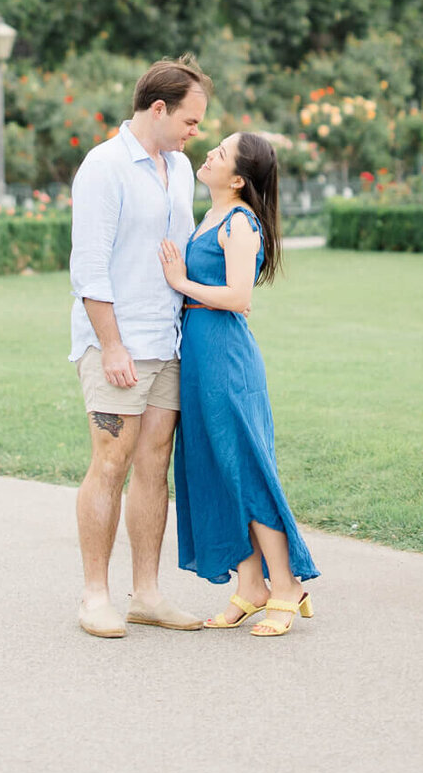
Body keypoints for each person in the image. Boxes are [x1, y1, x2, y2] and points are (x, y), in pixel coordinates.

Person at [69, 55, 213, 639]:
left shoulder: (178, 168)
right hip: (118, 345)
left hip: (167, 341)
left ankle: (147, 594)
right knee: (111, 462)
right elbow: (89, 268)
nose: (194, 133)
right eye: (191, 121)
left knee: (154, 467)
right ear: (158, 108)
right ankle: (95, 596)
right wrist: (111, 346)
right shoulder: (103, 166)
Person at [158, 130, 319, 636]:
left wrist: (181, 283)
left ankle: (286, 585)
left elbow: (239, 296)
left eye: (221, 153)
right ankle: (250, 587)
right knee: (213, 467)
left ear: (238, 179)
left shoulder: (240, 221)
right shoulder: (208, 215)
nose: (209, 153)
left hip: (227, 359)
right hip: (201, 358)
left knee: (245, 469)